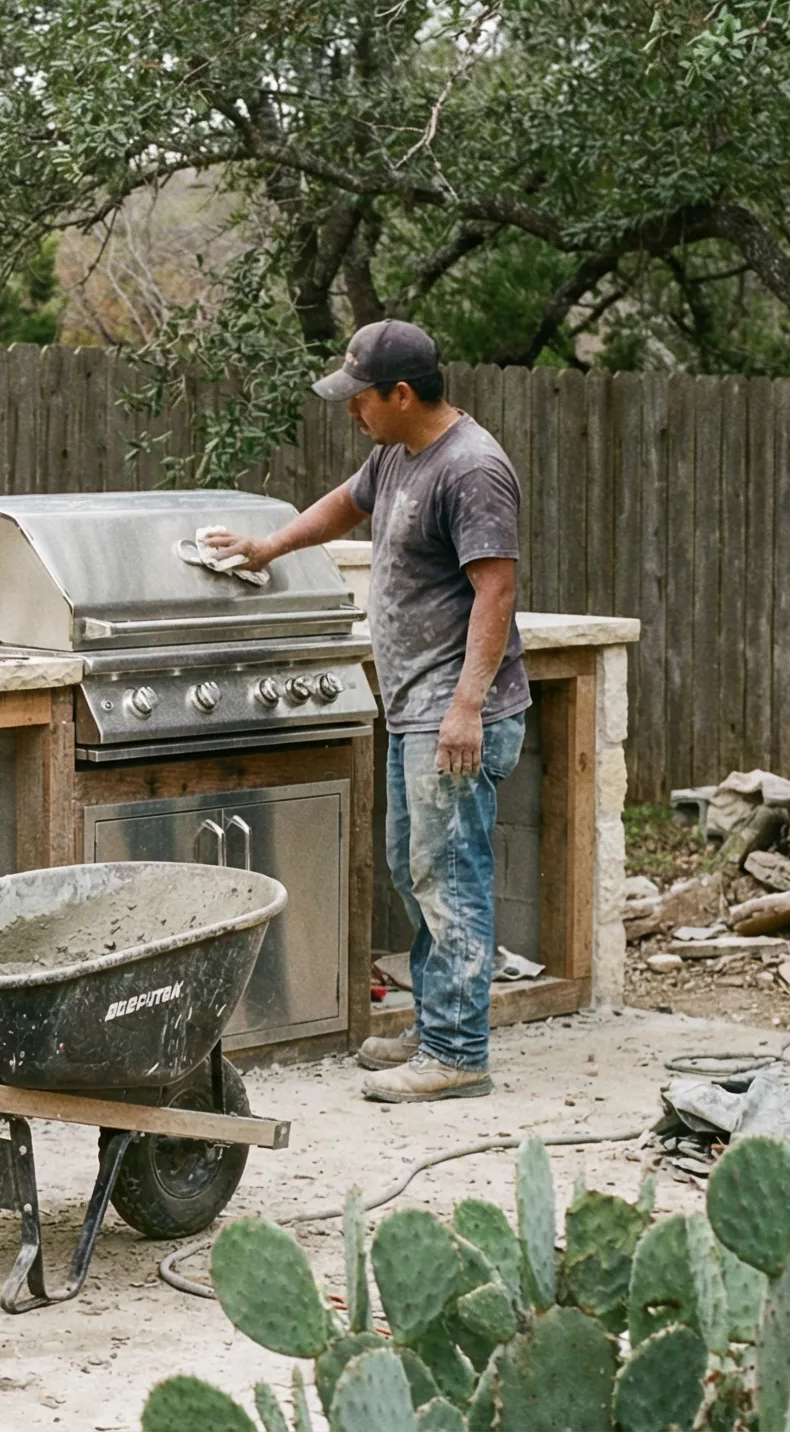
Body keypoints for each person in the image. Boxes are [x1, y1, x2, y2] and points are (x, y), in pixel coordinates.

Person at [206, 320, 529, 1103]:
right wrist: (266, 548)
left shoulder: (473, 468)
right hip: (413, 704)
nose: (352, 412)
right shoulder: (395, 454)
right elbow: (346, 504)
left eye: (361, 399)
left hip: (452, 713)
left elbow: (498, 589)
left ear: (403, 393)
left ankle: (457, 1054)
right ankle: (437, 1024)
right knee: (414, 869)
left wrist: (465, 708)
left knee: (449, 875)